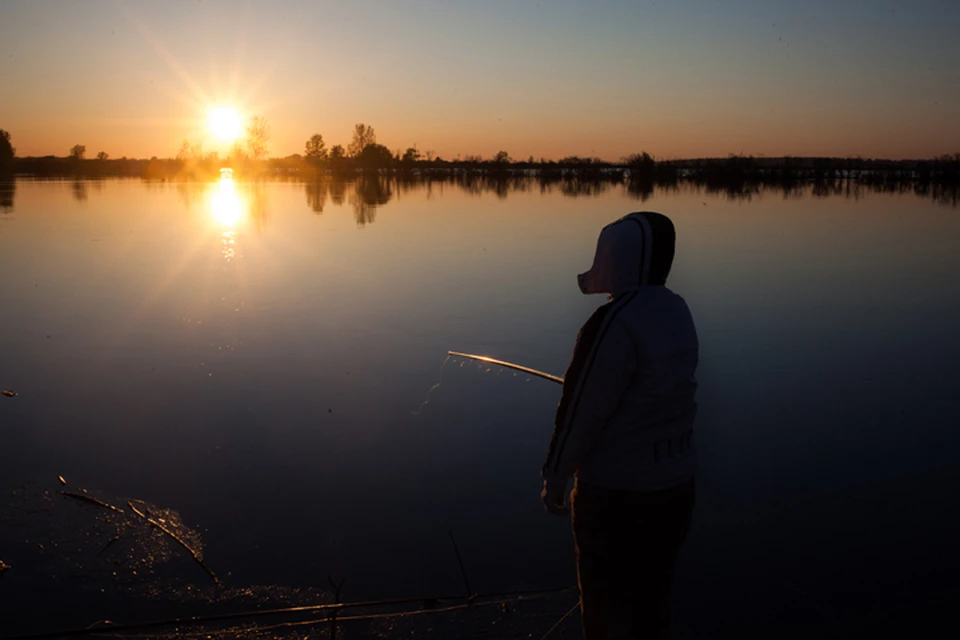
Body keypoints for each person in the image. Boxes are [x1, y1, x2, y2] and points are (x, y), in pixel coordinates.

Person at [542, 211, 698, 639]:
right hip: (677, 489)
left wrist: (555, 476)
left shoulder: (612, 323)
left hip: (617, 499)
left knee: (606, 612)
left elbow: (581, 412)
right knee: (651, 605)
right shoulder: (676, 310)